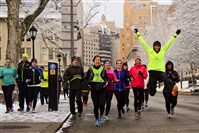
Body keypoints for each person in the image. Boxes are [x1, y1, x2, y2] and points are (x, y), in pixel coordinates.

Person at [132, 27, 181, 96]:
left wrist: (175, 34)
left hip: (161, 71)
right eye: (155, 46)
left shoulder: (163, 51)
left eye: (158, 46)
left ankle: (173, 88)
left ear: (160, 47)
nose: (157, 48)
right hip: (153, 72)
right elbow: (143, 42)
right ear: (153, 46)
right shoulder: (150, 51)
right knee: (152, 93)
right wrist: (137, 33)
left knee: (166, 78)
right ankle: (150, 87)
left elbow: (169, 43)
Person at [85, 55, 108, 127]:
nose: (97, 61)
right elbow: (86, 79)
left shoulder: (103, 69)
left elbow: (106, 80)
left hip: (102, 90)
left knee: (102, 104)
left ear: (100, 62)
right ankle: (96, 120)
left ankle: (101, 116)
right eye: (96, 60)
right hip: (94, 89)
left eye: (99, 60)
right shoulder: (90, 69)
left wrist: (104, 84)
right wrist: (89, 83)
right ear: (93, 61)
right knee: (96, 106)